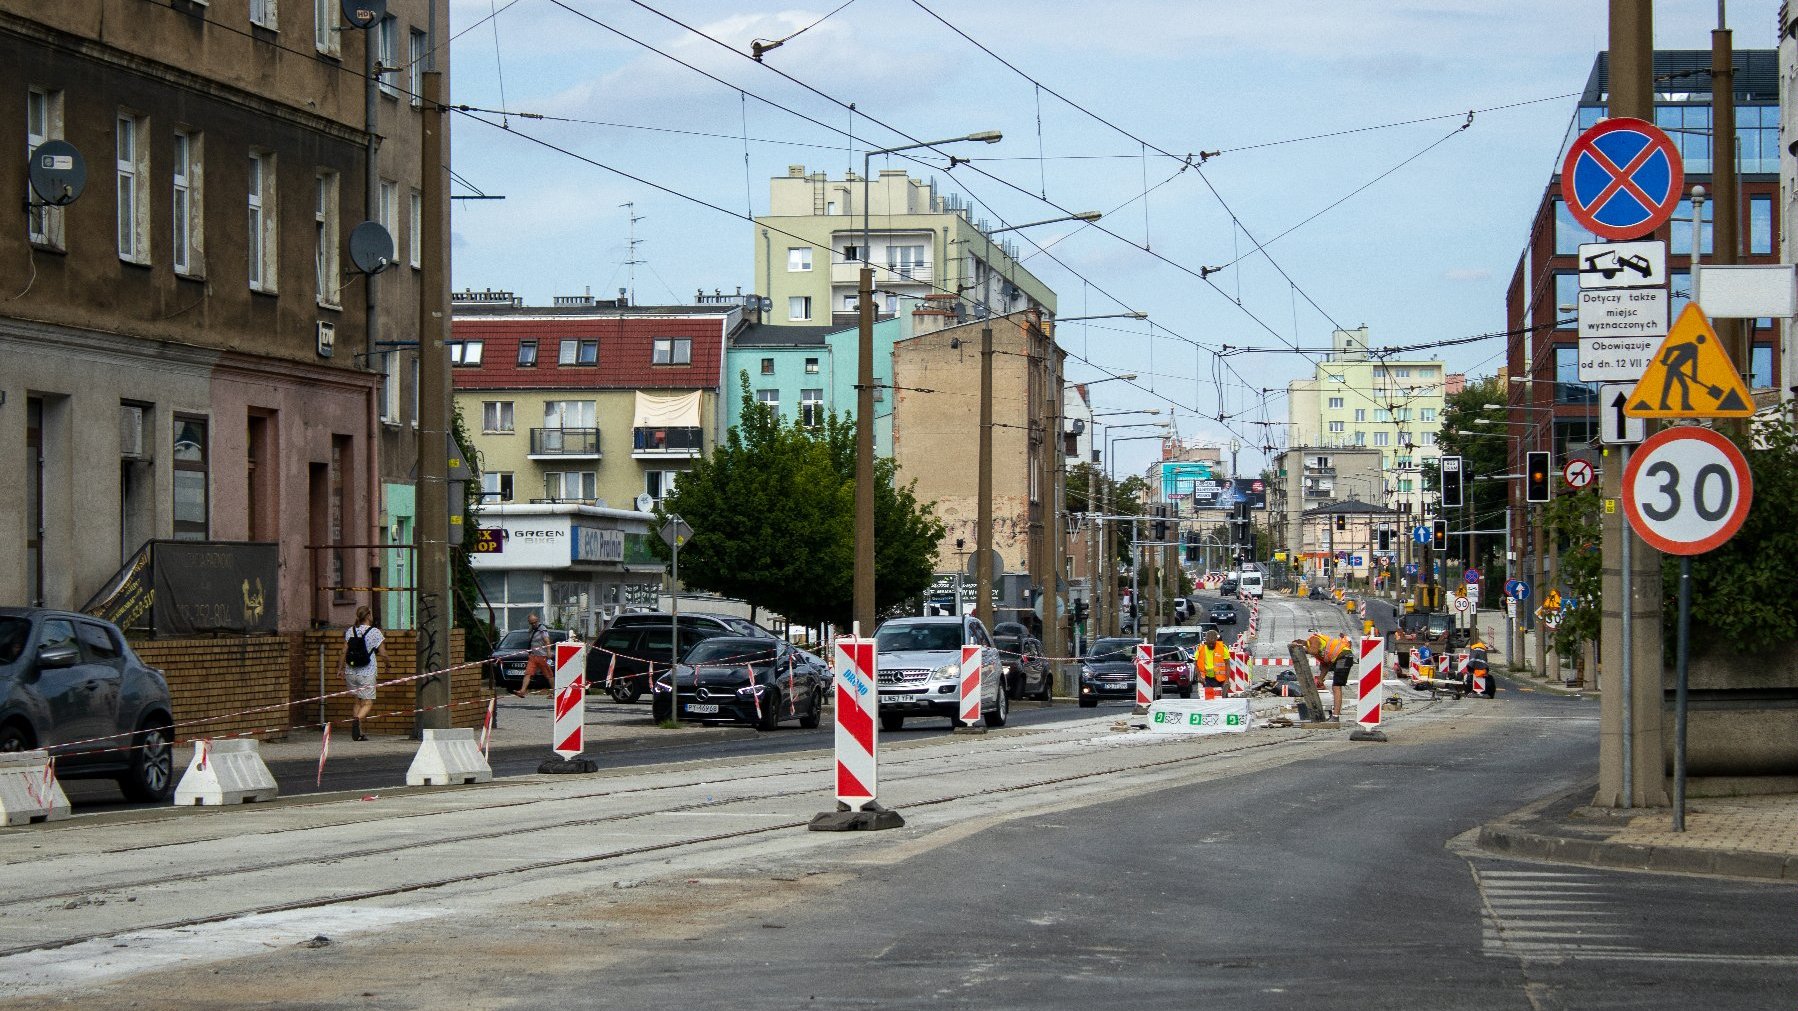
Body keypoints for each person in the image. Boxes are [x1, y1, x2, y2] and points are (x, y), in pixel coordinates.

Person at [339, 605, 385, 741]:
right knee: (368, 703)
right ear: (368, 616)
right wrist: (388, 663)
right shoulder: (375, 632)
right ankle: (357, 720)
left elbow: (343, 651)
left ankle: (358, 733)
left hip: (350, 672)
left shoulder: (351, 631)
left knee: (357, 701)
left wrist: (340, 669)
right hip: (367, 672)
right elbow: (383, 653)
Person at [1297, 631, 1354, 720]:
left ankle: (1335, 716)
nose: (1308, 654)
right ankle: (1335, 715)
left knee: (1336, 687)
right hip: (1342, 657)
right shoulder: (1318, 649)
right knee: (1335, 686)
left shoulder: (1313, 639)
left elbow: (1313, 650)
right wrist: (1321, 678)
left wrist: (1303, 649)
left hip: (1343, 657)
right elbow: (1325, 665)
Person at [510, 613, 553, 698]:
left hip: (542, 656)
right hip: (533, 656)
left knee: (549, 675)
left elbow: (547, 641)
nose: (533, 624)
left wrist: (548, 652)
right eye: (531, 623)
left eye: (535, 622)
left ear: (538, 620)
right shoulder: (531, 629)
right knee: (528, 673)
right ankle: (522, 691)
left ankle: (555, 692)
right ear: (529, 622)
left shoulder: (542, 629)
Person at [1198, 629, 1229, 694]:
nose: (1211, 645)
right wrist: (1199, 676)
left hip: (1221, 679)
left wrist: (1227, 680)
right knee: (1209, 699)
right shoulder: (1201, 649)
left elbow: (1227, 664)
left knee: (1223, 700)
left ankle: (1224, 693)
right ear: (1206, 641)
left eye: (1213, 643)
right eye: (1209, 643)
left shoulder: (1223, 648)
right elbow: (1195, 663)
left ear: (1216, 640)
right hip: (1208, 679)